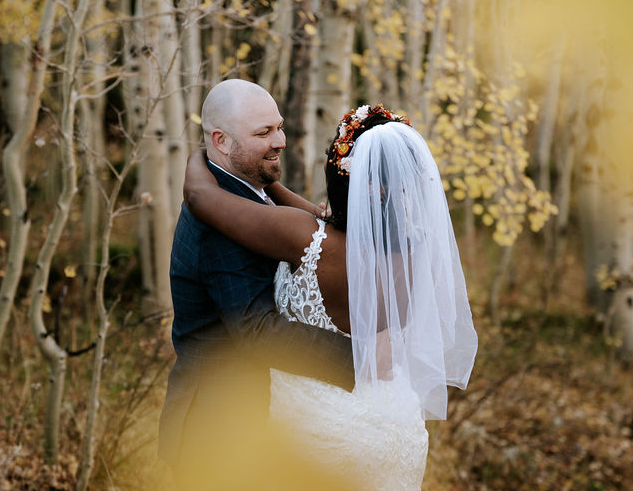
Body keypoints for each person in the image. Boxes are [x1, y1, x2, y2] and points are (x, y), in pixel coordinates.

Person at [183, 103, 479, 490]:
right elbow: (331, 223)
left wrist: (202, 153)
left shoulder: (304, 238)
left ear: (341, 176)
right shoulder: (420, 252)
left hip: (321, 432)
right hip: (395, 423)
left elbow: (201, 196)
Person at [158, 79, 356, 491]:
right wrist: (362, 363)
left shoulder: (247, 189)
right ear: (221, 141)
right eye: (263, 133)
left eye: (279, 127)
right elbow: (257, 331)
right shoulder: (219, 221)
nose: (280, 141)